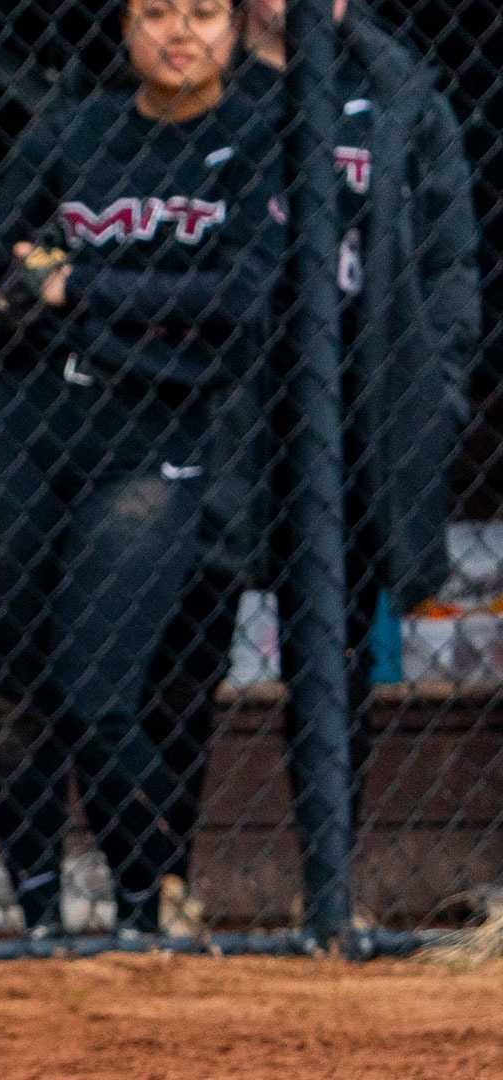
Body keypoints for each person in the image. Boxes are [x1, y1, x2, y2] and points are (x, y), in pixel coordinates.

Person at [0, 0, 276, 938]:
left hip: (154, 436)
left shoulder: (256, 140)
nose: (180, 31)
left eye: (204, 11)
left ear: (236, 28)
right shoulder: (72, 132)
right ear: (125, 24)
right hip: (33, 425)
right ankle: (39, 916)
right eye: (157, 10)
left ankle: (142, 907)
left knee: (98, 692)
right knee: (18, 691)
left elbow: (241, 297)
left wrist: (76, 285)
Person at [143, 0, 479, 902]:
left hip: (353, 409)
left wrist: (434, 390)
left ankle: (322, 889)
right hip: (220, 405)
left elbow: (450, 257)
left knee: (332, 658)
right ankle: (163, 884)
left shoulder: (394, 83)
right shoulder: (202, 77)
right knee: (184, 644)